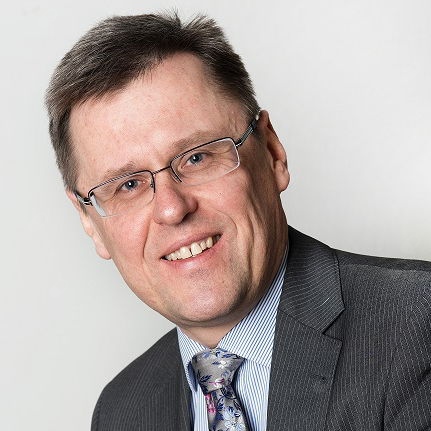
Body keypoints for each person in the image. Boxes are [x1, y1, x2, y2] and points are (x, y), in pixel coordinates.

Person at [46, 12, 431, 431]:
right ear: (89, 221)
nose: (171, 209)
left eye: (197, 157)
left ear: (272, 152)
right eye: (128, 185)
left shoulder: (416, 326)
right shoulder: (122, 411)